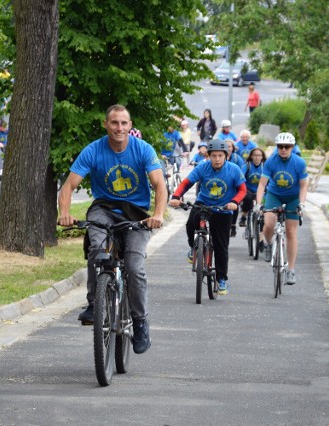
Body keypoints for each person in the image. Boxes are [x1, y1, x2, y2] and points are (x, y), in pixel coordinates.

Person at [57, 105, 167, 354]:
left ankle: (140, 323)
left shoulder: (143, 150)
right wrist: (64, 213)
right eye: (114, 123)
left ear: (130, 126)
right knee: (97, 248)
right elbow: (68, 186)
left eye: (124, 123)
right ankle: (94, 303)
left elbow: (159, 185)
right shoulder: (93, 150)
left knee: (134, 267)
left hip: (136, 214)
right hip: (104, 209)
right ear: (106, 124)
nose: (119, 128)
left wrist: (157, 214)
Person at [169, 139, 246, 295]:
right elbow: (186, 183)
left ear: (226, 155)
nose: (217, 159)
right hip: (204, 204)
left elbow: (242, 190)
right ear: (208, 156)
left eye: (220, 156)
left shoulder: (234, 169)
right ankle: (193, 247)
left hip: (223, 209)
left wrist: (234, 202)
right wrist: (176, 196)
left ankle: (222, 279)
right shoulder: (203, 167)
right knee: (191, 224)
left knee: (221, 246)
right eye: (213, 156)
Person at [255, 132, 308, 285]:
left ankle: (291, 270)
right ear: (277, 147)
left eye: (287, 147)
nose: (283, 149)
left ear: (292, 147)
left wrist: (302, 204)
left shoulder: (299, 162)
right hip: (274, 195)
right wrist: (259, 204)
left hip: (292, 197)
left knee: (291, 231)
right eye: (280, 147)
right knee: (269, 223)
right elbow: (262, 184)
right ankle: (268, 242)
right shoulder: (271, 161)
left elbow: (304, 186)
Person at [238, 147, 266, 228]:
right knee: (247, 199)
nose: (257, 157)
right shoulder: (247, 165)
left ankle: (262, 218)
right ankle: (244, 216)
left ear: (262, 157)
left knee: (264, 203)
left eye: (259, 155)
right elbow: (241, 177)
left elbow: (270, 179)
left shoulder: (264, 166)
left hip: (262, 190)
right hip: (249, 189)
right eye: (255, 155)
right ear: (251, 156)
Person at [225, 139, 245, 237]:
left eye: (230, 146)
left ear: (233, 148)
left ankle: (233, 225)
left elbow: (242, 172)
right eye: (226, 146)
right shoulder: (220, 157)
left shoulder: (237, 158)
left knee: (234, 203)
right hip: (223, 185)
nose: (228, 148)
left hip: (235, 184)